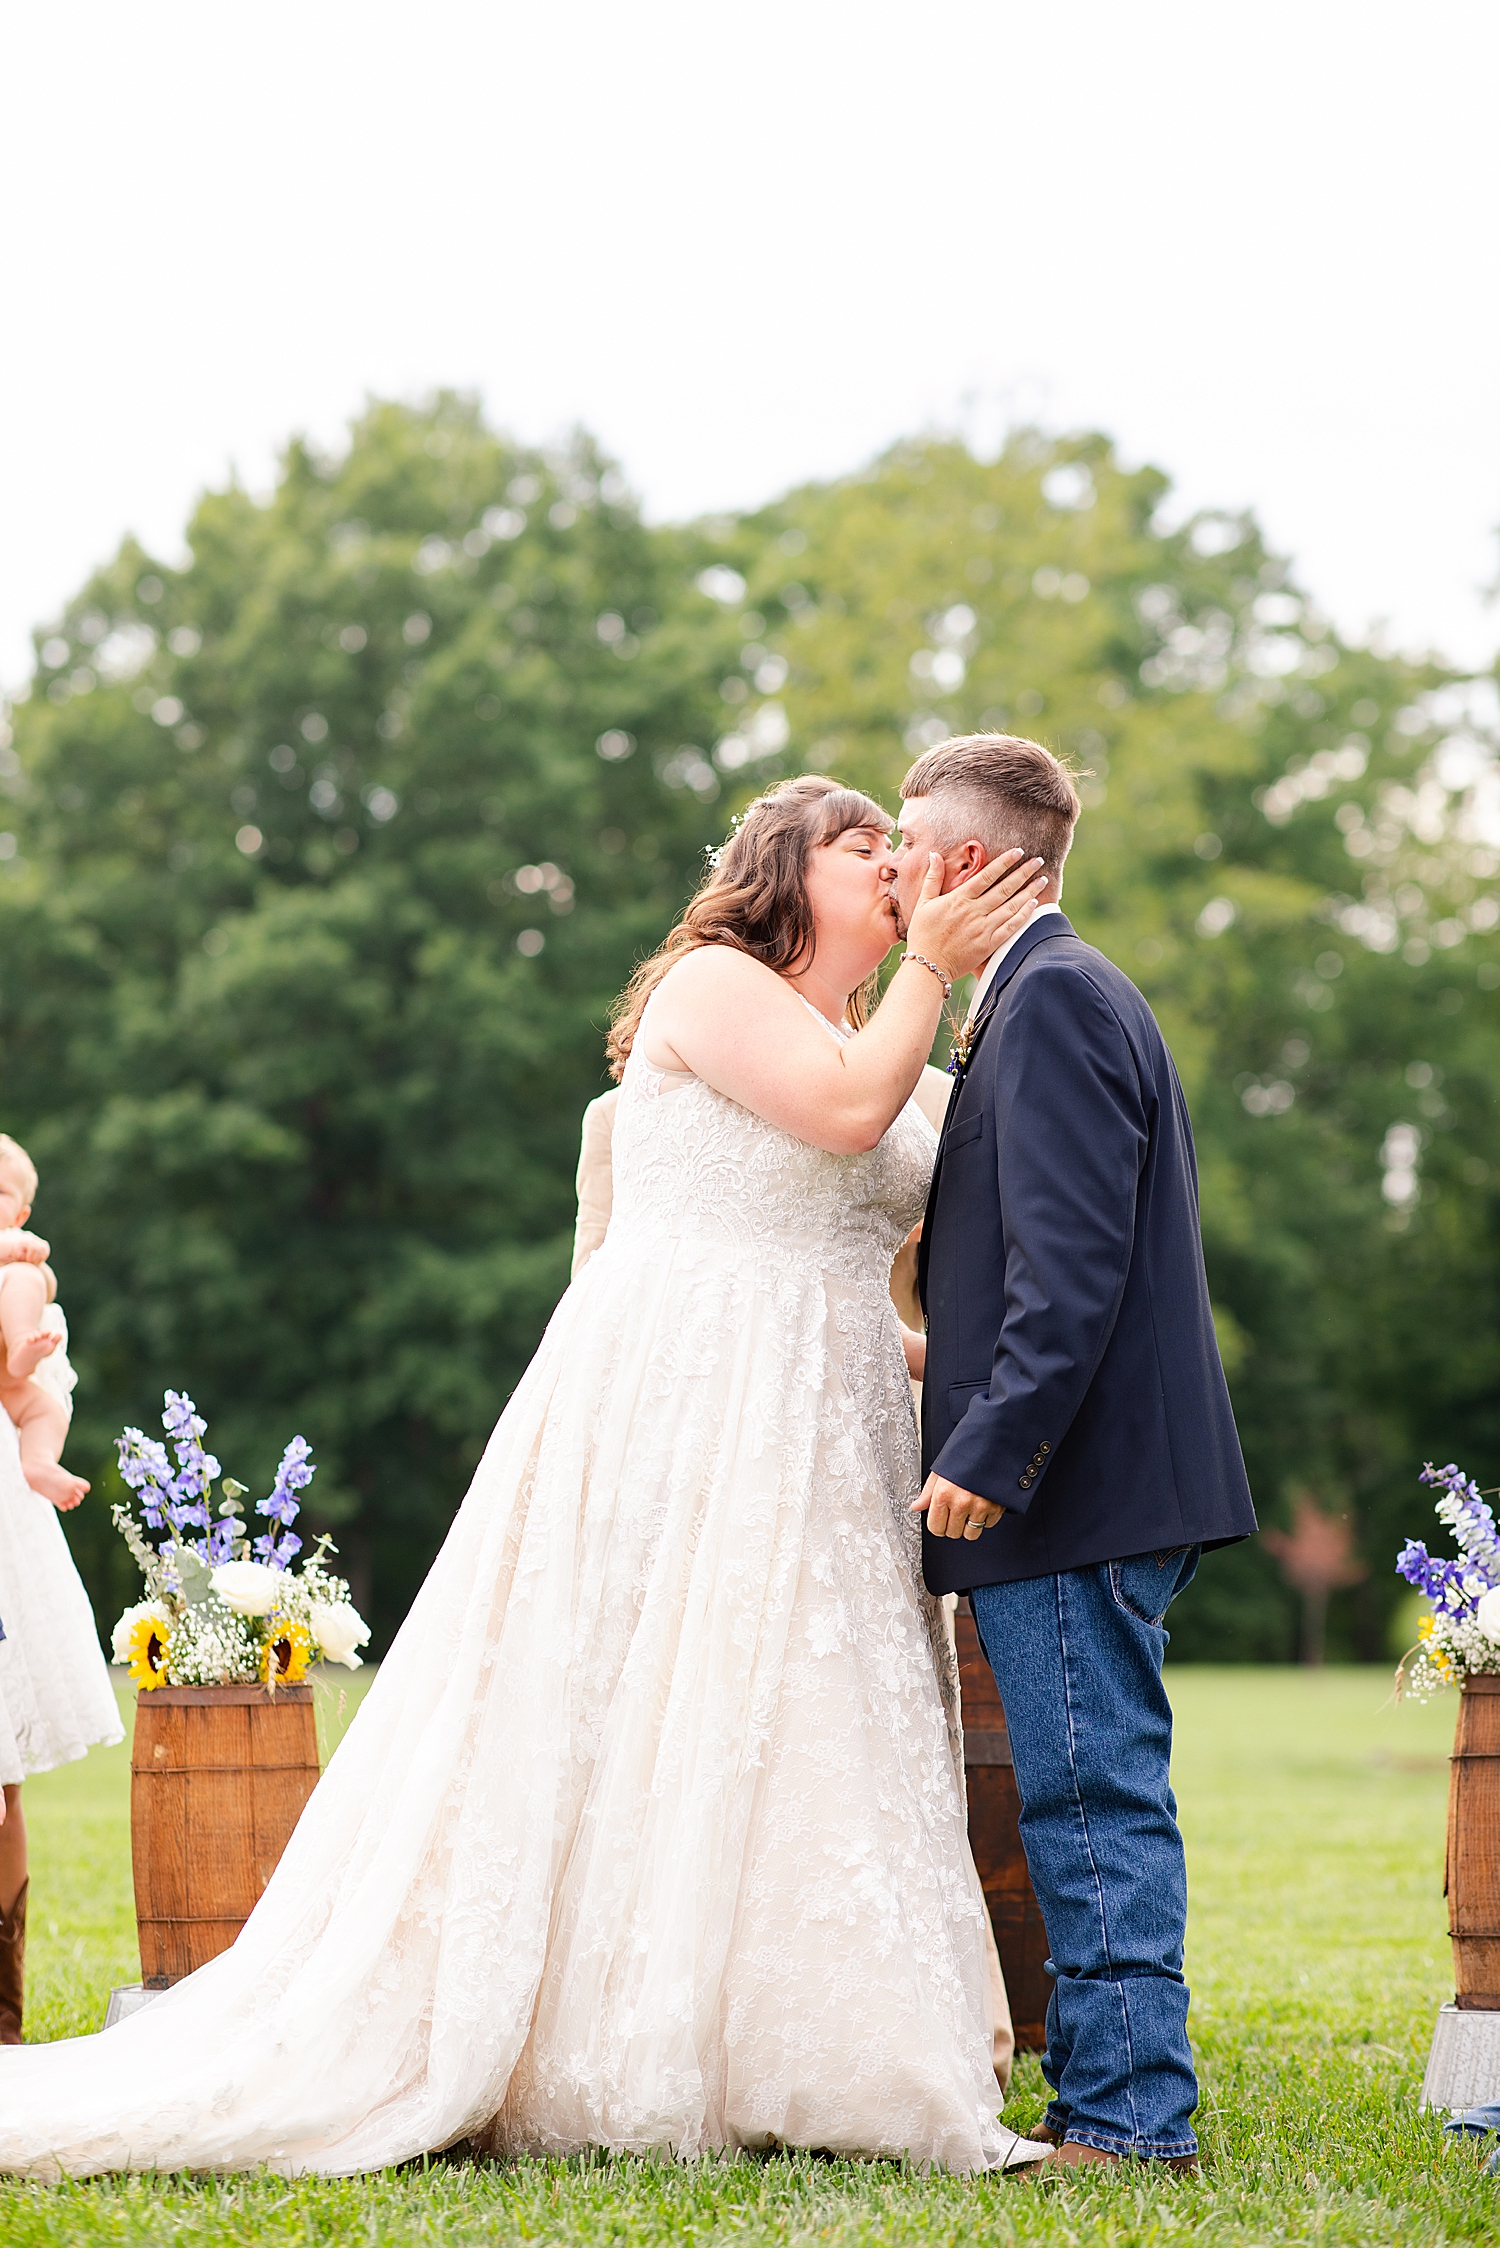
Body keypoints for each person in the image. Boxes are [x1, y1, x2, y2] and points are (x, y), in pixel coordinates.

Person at [0, 776, 1053, 2177]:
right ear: (782, 874)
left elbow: (904, 1234)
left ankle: (821, 2052)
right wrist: (934, 960)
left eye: (901, 849)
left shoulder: (890, 1036)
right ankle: (588, 2033)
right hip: (681, 1401)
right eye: (862, 846)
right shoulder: (715, 987)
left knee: (806, 1708)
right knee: (636, 1700)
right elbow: (849, 1119)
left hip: (824, 1418)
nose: (895, 867)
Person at [894, 735, 1257, 2176]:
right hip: (1094, 1474)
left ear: (973, 861)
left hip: (1074, 1483)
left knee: (1091, 1792)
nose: (899, 867)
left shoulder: (1046, 1003)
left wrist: (996, 1448)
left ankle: (1128, 2118)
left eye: (914, 843)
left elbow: (1075, 1267)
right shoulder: (1054, 993)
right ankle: (1115, 2097)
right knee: (1091, 1785)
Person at [569, 1060, 1021, 2099]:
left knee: (850, 1727)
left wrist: (979, 1389)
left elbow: (945, 1288)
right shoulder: (622, 1117)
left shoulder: (931, 1096)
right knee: (681, 1724)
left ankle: (910, 2020)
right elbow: (596, 1286)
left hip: (855, 1447)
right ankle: (668, 2005)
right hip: (677, 1462)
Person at [0, 1140, 123, 2044]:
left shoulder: (23, 1270)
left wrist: (20, 1360)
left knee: (0, 1784)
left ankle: (1, 2013)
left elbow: (23, 1389)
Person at [0, 1139, 88, 1512]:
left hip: (7, 1378)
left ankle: (38, 1462)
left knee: (47, 1410)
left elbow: (48, 1289)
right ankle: (21, 1346)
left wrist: (34, 1264)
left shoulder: (18, 1248)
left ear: (20, 1216)